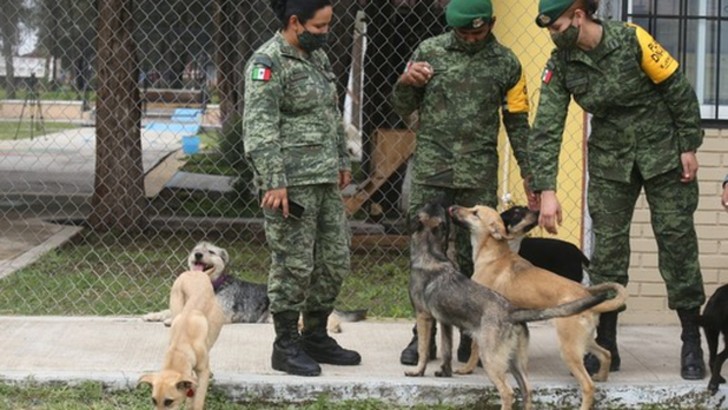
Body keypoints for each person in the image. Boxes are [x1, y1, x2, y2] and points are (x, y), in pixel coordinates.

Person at [529, 0, 706, 380]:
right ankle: (606, 342)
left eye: (558, 27)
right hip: (611, 162)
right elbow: (547, 128)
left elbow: (678, 89)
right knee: (608, 251)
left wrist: (688, 144)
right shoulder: (561, 64)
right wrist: (547, 189)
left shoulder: (632, 40)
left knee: (677, 243)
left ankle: (691, 339)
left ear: (579, 15)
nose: (554, 36)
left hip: (663, 153)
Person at [391, 0, 533, 365]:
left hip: (477, 169)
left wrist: (531, 174)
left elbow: (517, 121)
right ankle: (419, 335)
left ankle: (473, 336)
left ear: (492, 23)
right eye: (463, 32)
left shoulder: (506, 63)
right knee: (425, 254)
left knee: (478, 259)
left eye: (478, 31)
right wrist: (406, 81)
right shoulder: (430, 50)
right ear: (451, 27)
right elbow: (402, 103)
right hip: (432, 166)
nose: (470, 38)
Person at [242, 0, 360, 377]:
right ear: (296, 23)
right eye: (320, 26)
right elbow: (259, 127)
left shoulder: (317, 58)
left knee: (335, 259)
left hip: (324, 179)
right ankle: (285, 345)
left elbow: (330, 114)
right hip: (290, 184)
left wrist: (342, 160)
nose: (326, 33)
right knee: (293, 265)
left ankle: (315, 335)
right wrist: (274, 180)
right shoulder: (268, 61)